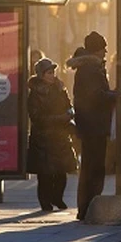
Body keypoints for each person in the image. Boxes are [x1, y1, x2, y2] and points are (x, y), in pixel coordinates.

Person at [68, 32, 116, 221]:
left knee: (91, 167)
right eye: (102, 48)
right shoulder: (90, 70)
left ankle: (87, 206)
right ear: (96, 50)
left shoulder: (88, 68)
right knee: (94, 168)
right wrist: (115, 95)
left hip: (90, 125)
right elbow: (96, 96)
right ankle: (89, 207)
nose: (105, 51)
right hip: (94, 125)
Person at [27, 57, 77, 211]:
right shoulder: (35, 94)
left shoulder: (60, 88)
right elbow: (36, 117)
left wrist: (70, 114)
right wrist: (59, 118)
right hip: (43, 138)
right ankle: (45, 201)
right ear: (41, 75)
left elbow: (69, 106)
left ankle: (57, 197)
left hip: (61, 136)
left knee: (62, 172)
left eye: (53, 72)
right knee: (45, 174)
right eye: (49, 72)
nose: (52, 75)